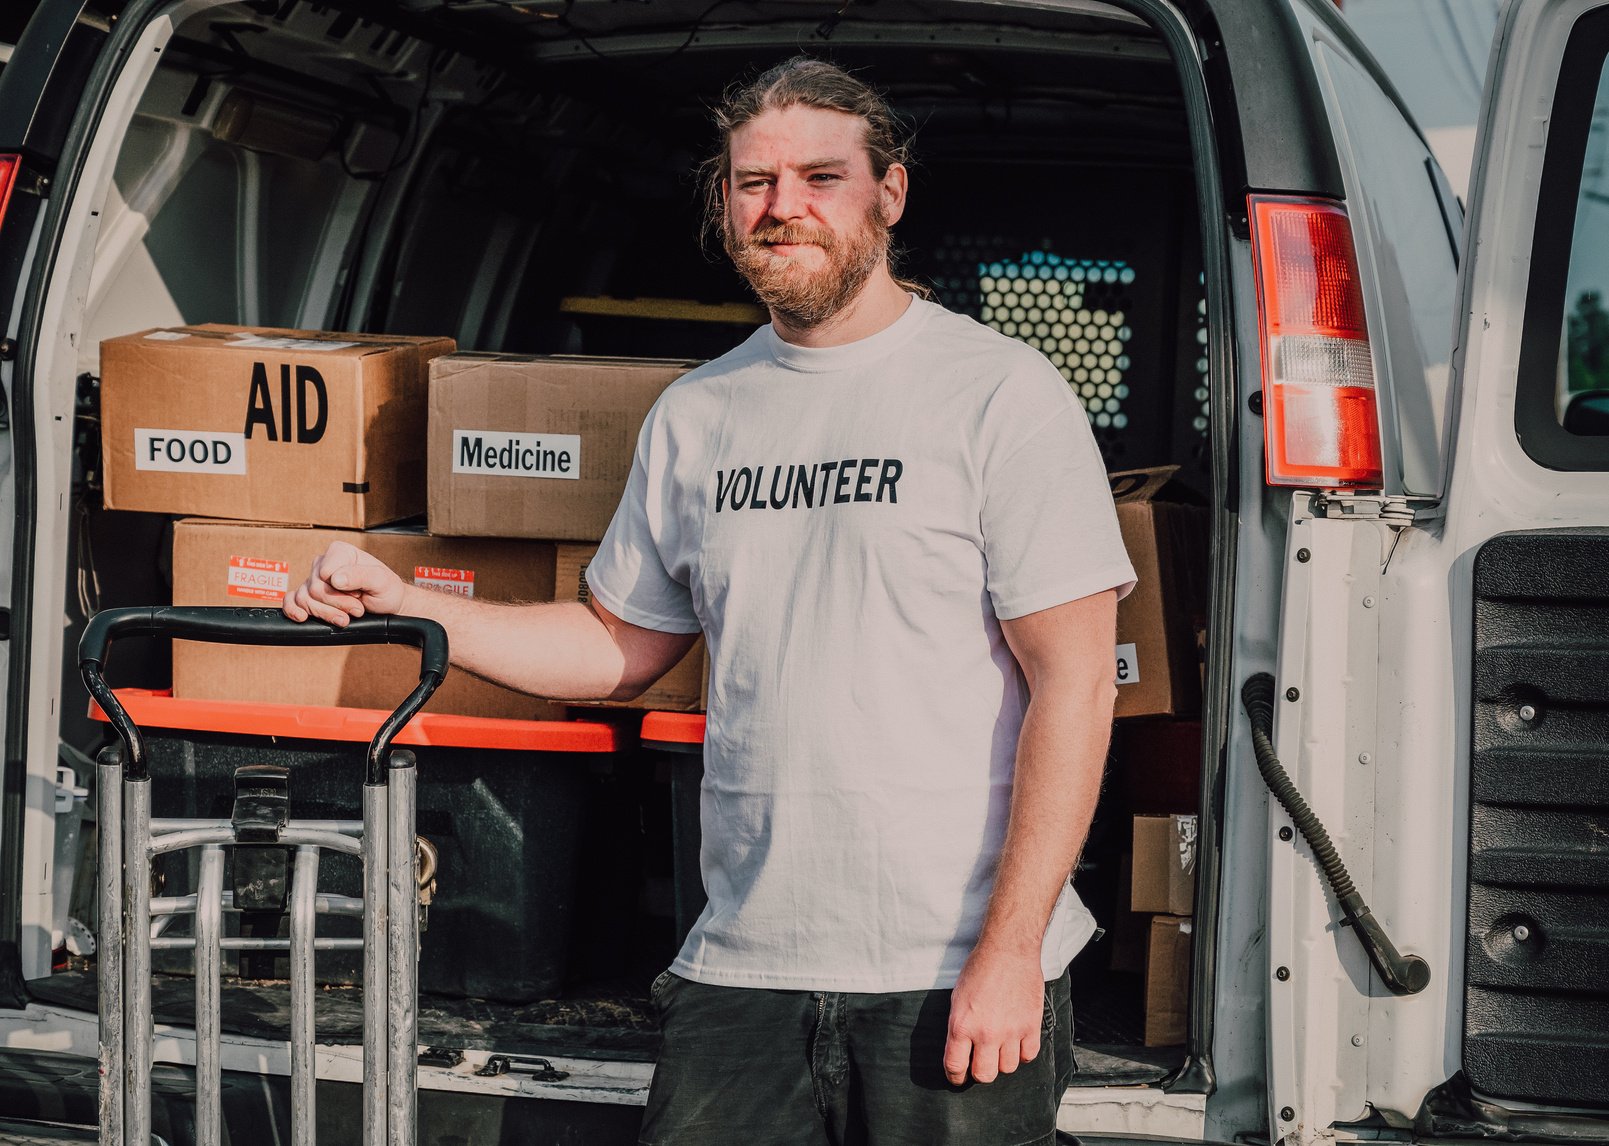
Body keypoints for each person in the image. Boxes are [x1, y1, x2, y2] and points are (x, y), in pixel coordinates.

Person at [284, 56, 1135, 1146]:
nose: (782, 207)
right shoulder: (700, 412)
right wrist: (413, 604)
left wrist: (1012, 951)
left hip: (946, 970)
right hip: (741, 969)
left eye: (819, 176)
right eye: (751, 183)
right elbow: (616, 646)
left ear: (890, 193)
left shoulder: (999, 395)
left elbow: (1074, 684)